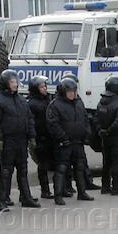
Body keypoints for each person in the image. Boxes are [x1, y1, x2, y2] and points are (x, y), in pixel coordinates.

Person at [0, 70, 41, 211]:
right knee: (6, 171)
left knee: (23, 169)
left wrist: (32, 136)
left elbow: (29, 118)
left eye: (15, 81)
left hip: (21, 139)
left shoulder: (21, 100)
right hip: (8, 140)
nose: (15, 84)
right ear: (5, 83)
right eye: (12, 82)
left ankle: (26, 197)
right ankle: (2, 200)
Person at [46, 76, 94, 205]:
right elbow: (53, 124)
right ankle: (58, 195)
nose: (72, 94)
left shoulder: (78, 103)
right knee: (61, 168)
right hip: (64, 143)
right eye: (69, 91)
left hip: (78, 141)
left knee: (80, 167)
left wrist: (86, 133)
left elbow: (85, 119)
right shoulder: (55, 105)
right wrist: (62, 138)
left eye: (74, 91)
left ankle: (82, 192)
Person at [96, 76, 118, 195]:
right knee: (116, 163)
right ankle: (116, 187)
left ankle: (105, 186)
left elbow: (96, 119)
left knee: (107, 163)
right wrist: (109, 130)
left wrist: (101, 130)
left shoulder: (101, 102)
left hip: (105, 137)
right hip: (117, 138)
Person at [26, 75, 56, 200]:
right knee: (43, 166)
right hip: (40, 138)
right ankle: (45, 190)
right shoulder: (32, 103)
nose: (44, 88)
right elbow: (31, 122)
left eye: (45, 86)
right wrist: (33, 138)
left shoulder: (47, 99)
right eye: (41, 87)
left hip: (50, 136)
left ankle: (59, 188)